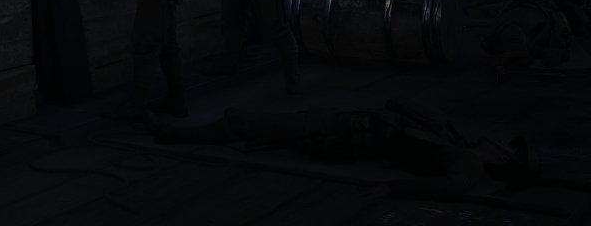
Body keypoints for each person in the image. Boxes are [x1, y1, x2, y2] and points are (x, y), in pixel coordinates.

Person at [148, 97, 537, 199]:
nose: (497, 142)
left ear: (501, 159)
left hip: (340, 136)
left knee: (241, 123)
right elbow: (398, 104)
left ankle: (170, 133)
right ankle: (176, 130)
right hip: (342, 125)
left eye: (504, 147)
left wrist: (392, 189)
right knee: (256, 124)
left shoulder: (467, 160)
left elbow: (452, 188)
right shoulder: (458, 142)